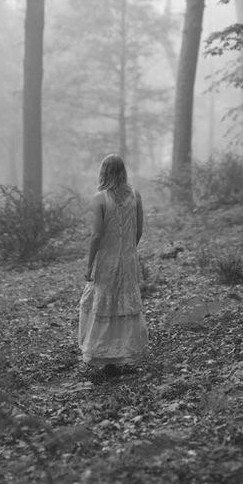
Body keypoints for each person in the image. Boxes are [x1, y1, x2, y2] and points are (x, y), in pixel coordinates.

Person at [78, 154, 148, 372]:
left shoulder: (99, 198)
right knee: (124, 304)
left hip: (107, 261)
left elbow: (96, 235)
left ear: (104, 172)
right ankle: (125, 352)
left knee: (104, 304)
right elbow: (139, 230)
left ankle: (105, 355)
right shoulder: (135, 195)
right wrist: (129, 250)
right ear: (123, 172)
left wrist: (90, 263)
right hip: (128, 260)